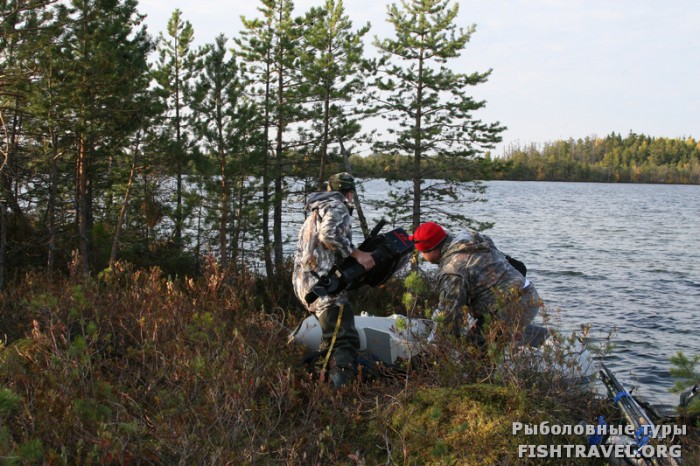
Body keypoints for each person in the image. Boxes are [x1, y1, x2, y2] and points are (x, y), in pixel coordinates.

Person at [292, 172, 375, 388]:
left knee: (331, 339)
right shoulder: (337, 206)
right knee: (344, 340)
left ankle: (321, 384)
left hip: (307, 283)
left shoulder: (316, 210)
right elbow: (328, 235)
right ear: (349, 193)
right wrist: (357, 254)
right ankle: (340, 395)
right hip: (325, 288)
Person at [409, 221, 549, 347]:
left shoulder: (452, 270)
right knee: (479, 336)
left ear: (431, 250)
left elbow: (449, 315)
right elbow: (513, 265)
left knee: (475, 351)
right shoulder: (469, 237)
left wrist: (436, 346)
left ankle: (533, 338)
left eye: (422, 252)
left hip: (511, 305)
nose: (422, 256)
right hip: (525, 292)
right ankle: (528, 333)